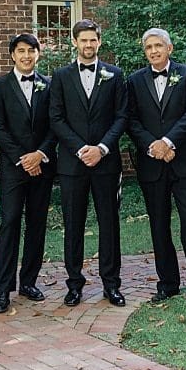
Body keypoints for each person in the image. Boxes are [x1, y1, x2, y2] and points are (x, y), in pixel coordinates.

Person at [125, 27, 186, 303]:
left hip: (183, 161)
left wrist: (169, 143)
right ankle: (168, 283)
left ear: (169, 49)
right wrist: (154, 146)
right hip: (152, 164)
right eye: (148, 47)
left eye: (158, 46)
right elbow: (132, 120)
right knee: (158, 225)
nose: (153, 51)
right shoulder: (135, 80)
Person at [48, 19, 128, 307]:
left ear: (99, 42)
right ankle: (74, 284)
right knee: (73, 225)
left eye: (93, 40)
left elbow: (121, 116)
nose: (89, 44)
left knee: (109, 224)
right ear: (75, 42)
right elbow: (55, 118)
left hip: (106, 163)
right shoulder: (60, 76)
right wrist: (82, 148)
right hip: (72, 164)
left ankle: (111, 285)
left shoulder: (115, 75)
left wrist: (102, 148)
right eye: (83, 40)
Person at [0, 34, 56, 313]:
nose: (26, 55)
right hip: (13, 168)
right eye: (21, 51)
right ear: (12, 55)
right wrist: (22, 158)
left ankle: (29, 281)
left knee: (37, 224)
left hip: (42, 165)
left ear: (38, 54)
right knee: (10, 222)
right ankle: (3, 289)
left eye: (31, 50)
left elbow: (56, 124)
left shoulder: (50, 85)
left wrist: (39, 154)